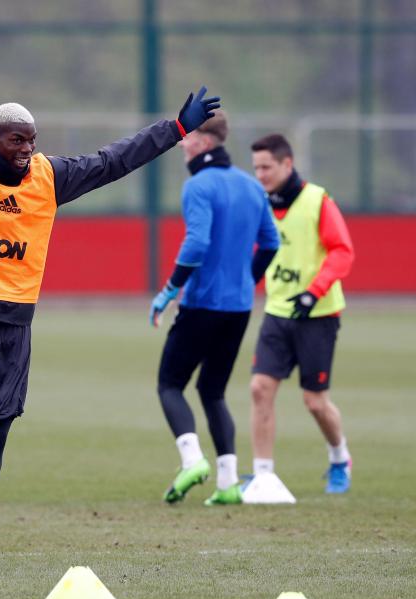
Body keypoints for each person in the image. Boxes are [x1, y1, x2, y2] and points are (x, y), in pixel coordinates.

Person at [0, 17, 220, 569]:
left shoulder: (49, 177)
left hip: (14, 329)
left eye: (32, 139)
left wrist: (175, 127)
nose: (27, 148)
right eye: (17, 139)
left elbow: (114, 160)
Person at [149, 111, 279, 506]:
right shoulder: (250, 185)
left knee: (170, 383)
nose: (183, 143)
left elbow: (197, 243)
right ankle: (227, 483)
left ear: (204, 142)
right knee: (213, 390)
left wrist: (170, 289)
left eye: (188, 138)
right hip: (238, 307)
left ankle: (192, 461)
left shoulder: (198, 185)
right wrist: (244, 280)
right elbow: (271, 243)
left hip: (203, 302)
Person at [248, 134, 355, 493]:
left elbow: (342, 251)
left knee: (314, 402)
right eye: (256, 168)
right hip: (277, 312)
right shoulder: (261, 203)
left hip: (318, 314)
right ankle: (263, 474)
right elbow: (259, 252)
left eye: (266, 167)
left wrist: (314, 292)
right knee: (260, 388)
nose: (260, 174)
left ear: (287, 164)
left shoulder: (317, 201)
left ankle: (340, 457)